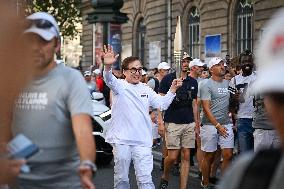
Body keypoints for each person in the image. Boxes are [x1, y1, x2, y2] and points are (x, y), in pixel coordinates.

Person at [9, 12, 96, 189]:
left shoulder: (71, 79)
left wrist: (87, 164)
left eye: (43, 41)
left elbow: (82, 130)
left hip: (66, 184)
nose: (35, 47)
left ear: (57, 44)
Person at [218, 9, 284, 189]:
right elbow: (234, 103)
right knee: (246, 153)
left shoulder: (246, 173)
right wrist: (235, 107)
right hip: (247, 123)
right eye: (279, 97)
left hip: (257, 125)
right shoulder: (247, 172)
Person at [101, 45, 182, 189]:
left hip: (142, 140)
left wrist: (172, 89)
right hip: (122, 140)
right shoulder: (119, 86)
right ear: (125, 72)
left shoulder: (146, 89)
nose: (137, 73)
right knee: (122, 180)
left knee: (145, 180)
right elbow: (108, 79)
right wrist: (107, 67)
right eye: (133, 69)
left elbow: (162, 104)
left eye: (139, 69)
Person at [158, 53, 198, 189]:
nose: (185, 64)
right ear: (177, 63)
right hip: (172, 121)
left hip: (189, 122)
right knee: (173, 157)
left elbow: (194, 104)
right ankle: (165, 174)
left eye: (188, 61)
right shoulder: (167, 79)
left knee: (186, 156)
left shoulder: (193, 81)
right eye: (183, 61)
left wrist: (196, 124)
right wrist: (160, 123)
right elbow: (160, 102)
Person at [199, 57, 234, 189]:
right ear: (211, 69)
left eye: (223, 65)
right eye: (219, 65)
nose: (222, 67)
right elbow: (206, 108)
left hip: (226, 123)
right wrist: (217, 126)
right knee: (210, 155)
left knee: (228, 155)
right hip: (209, 125)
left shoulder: (228, 83)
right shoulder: (205, 84)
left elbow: (238, 98)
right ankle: (205, 182)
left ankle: (225, 184)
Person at [229, 50, 256, 154]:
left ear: (253, 63)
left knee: (258, 155)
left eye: (249, 61)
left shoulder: (259, 77)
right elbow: (230, 105)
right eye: (244, 62)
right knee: (245, 154)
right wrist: (233, 99)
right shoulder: (234, 80)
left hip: (258, 120)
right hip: (243, 120)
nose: (247, 64)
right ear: (240, 64)